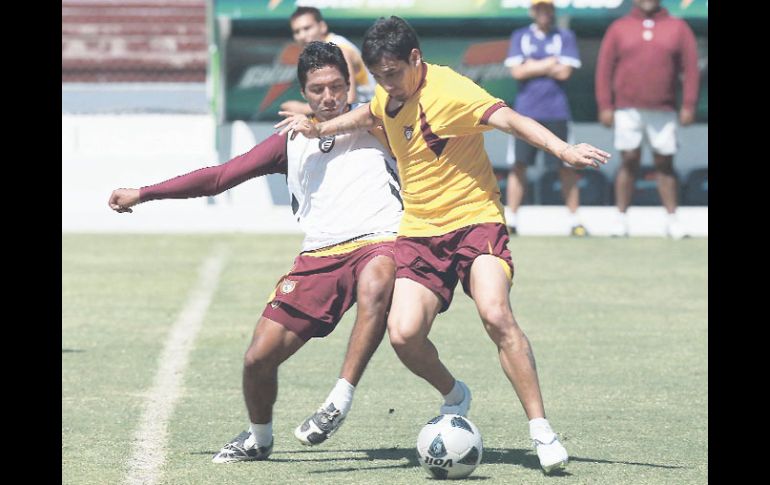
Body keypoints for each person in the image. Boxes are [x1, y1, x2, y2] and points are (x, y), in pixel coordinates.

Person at [276, 16, 610, 474]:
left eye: (393, 73)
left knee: (495, 313)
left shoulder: (452, 91)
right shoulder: (388, 92)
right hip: (419, 230)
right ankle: (455, 394)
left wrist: (562, 150)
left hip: (474, 220)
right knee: (404, 334)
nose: (386, 83)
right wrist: (319, 127)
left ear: (416, 59)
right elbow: (371, 112)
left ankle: (541, 431)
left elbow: (510, 119)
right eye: (378, 76)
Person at [108, 42, 403, 462]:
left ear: (351, 85)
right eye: (317, 89)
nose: (329, 97)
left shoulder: (378, 119)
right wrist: (145, 192)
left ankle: (339, 398)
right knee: (257, 359)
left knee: (377, 283)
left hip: (380, 240)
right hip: (319, 258)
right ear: (304, 93)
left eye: (337, 87)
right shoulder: (289, 141)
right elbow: (221, 176)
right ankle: (259, 437)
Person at [595, 0, 699, 239]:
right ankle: (620, 219)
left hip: (664, 109)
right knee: (629, 160)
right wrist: (605, 105)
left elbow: (691, 68)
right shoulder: (619, 27)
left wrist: (689, 104)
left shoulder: (678, 27)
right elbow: (604, 69)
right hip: (626, 109)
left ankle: (672, 220)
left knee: (665, 163)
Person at [504, 0, 586, 237]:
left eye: (548, 8)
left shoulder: (565, 36)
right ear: (533, 11)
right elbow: (517, 71)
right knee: (519, 166)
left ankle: (574, 220)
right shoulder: (520, 36)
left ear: (553, 11)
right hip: (525, 113)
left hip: (556, 112)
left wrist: (532, 65)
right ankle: (512, 219)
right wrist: (549, 63)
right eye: (540, 8)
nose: (544, 13)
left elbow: (565, 72)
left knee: (567, 164)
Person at [280, 6, 376, 115]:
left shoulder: (340, 50)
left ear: (322, 27)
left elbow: (349, 100)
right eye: (297, 32)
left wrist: (304, 109)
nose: (302, 35)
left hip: (369, 116)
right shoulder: (318, 53)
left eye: (307, 28)